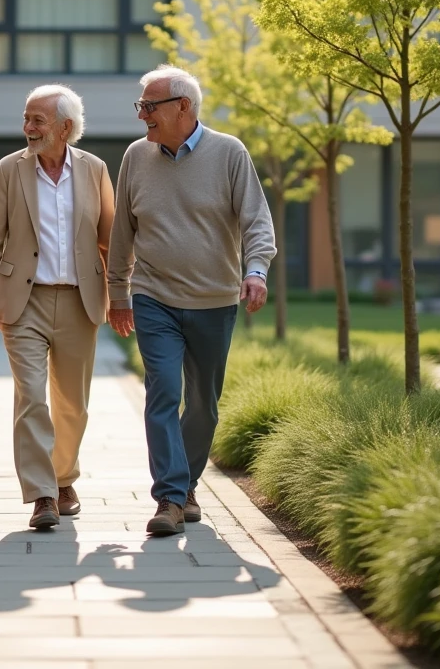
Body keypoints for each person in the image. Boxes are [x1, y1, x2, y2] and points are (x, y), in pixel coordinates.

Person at [107, 65, 275, 537]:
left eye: (149, 105)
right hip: (154, 295)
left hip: (213, 299)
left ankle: (186, 486)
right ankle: (169, 499)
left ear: (183, 106)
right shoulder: (136, 157)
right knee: (163, 389)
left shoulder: (229, 153)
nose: (142, 115)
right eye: (140, 106)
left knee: (203, 403)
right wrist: (118, 290)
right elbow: (124, 230)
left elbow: (256, 221)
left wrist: (256, 271)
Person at [0, 84, 115, 530]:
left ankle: (63, 475)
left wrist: (123, 292)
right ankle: (41, 494)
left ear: (65, 127)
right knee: (31, 397)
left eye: (38, 120)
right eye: (26, 119)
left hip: (79, 299)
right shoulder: (9, 169)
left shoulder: (94, 170)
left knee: (73, 404)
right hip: (24, 302)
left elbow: (110, 238)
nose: (28, 128)